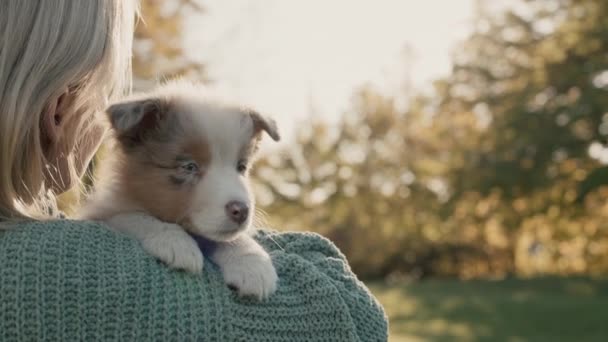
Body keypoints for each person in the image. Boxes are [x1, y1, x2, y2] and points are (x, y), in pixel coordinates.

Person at [0, 1, 387, 341]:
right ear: (58, 112)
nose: (236, 196)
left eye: (240, 166)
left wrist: (229, 243)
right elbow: (359, 318)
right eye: (189, 167)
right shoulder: (77, 266)